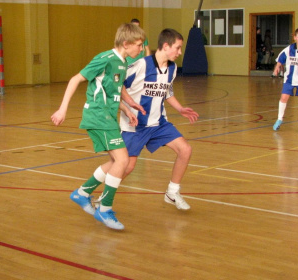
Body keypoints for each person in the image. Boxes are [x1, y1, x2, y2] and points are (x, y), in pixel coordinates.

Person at [50, 23, 145, 230]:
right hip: (98, 116)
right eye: (139, 45)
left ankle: (82, 193)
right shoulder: (105, 59)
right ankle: (104, 209)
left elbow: (111, 93)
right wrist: (62, 109)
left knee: (114, 162)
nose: (141, 48)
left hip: (108, 117)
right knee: (123, 160)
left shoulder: (122, 62)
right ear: (126, 44)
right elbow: (75, 79)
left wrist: (126, 109)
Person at [119, 28, 199, 210]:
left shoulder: (172, 68)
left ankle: (172, 192)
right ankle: (103, 197)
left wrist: (179, 108)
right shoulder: (141, 65)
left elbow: (167, 90)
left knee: (185, 149)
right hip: (136, 125)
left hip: (159, 123)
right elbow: (118, 84)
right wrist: (128, 107)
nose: (179, 52)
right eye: (177, 48)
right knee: (127, 167)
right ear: (165, 46)